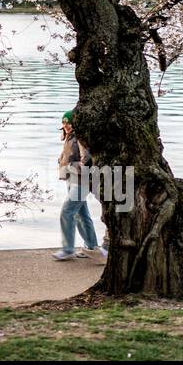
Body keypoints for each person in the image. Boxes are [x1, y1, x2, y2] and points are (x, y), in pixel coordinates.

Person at [53, 110, 106, 262]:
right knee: (80, 214)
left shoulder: (81, 138)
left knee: (67, 212)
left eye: (69, 122)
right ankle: (91, 247)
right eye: (64, 122)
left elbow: (87, 162)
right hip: (72, 180)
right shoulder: (69, 137)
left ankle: (68, 249)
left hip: (82, 181)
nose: (66, 125)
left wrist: (69, 164)